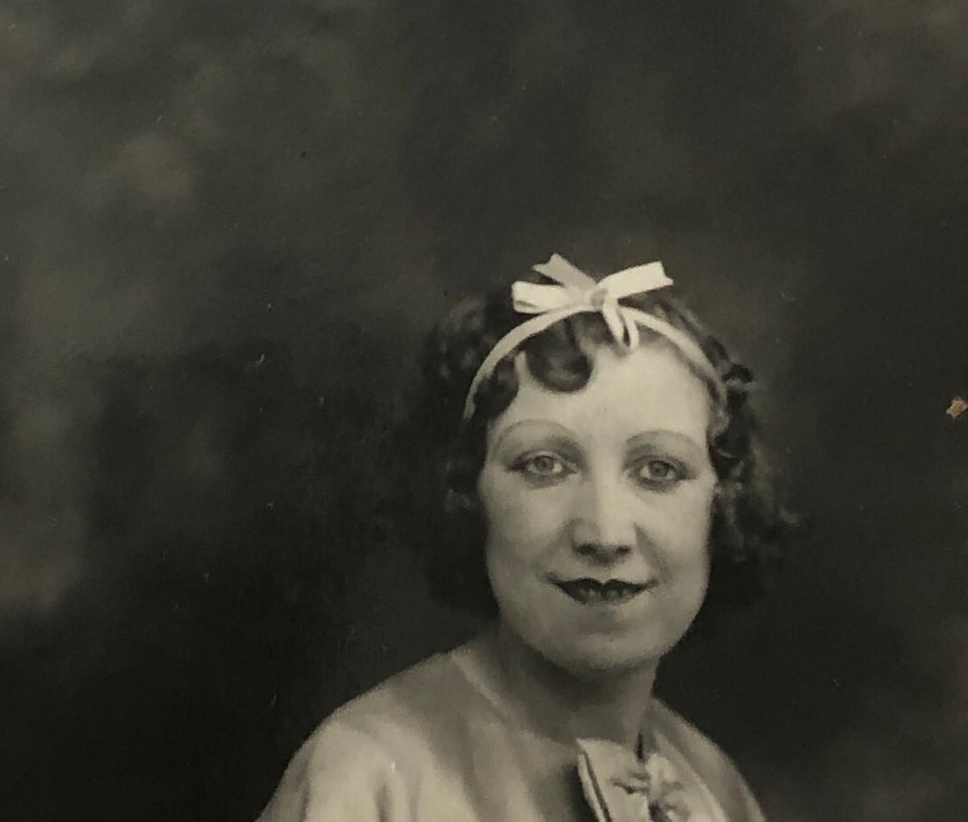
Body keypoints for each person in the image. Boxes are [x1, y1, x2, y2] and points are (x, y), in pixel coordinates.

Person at [258, 254, 793, 822]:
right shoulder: (366, 777)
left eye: (658, 470)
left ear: (723, 505)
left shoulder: (713, 789)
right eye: (544, 465)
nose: (605, 534)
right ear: (467, 494)